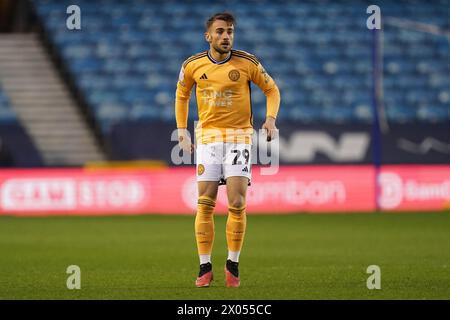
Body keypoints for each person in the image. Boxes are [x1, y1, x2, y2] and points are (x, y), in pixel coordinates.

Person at [175, 12, 280, 288]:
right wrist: (182, 131)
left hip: (238, 138)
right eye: (220, 32)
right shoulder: (192, 65)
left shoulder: (247, 62)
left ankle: (232, 263)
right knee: (205, 203)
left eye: (230, 32)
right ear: (208, 36)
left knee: (236, 202)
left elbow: (272, 90)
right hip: (208, 138)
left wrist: (270, 119)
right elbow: (182, 95)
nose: (226, 37)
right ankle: (204, 266)